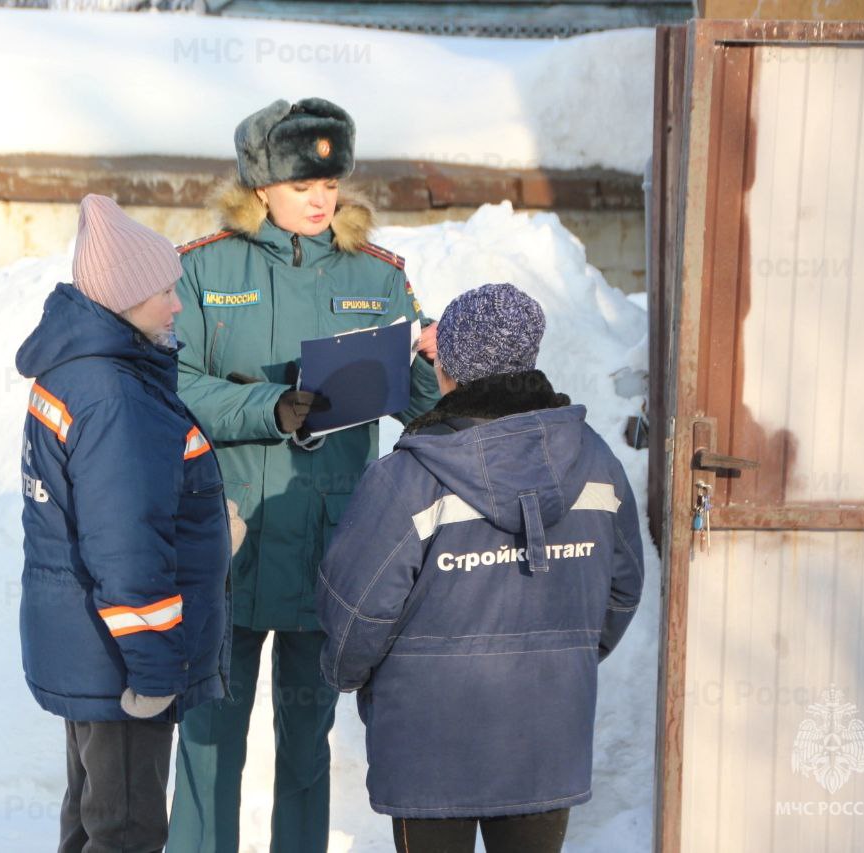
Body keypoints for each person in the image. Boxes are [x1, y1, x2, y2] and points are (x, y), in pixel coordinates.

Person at [168, 97, 441, 853]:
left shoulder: (377, 276)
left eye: (330, 181)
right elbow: (175, 385)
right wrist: (267, 407)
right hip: (228, 544)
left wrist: (430, 359)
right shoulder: (202, 268)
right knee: (208, 742)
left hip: (329, 547)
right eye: (301, 184)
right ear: (260, 185)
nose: (322, 198)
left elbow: (421, 406)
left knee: (307, 747)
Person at [317, 283, 645, 853]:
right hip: (547, 734)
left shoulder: (407, 479)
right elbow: (622, 590)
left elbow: (356, 612)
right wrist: (559, 655)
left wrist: (352, 678)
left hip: (427, 741)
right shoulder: (595, 460)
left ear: (449, 369)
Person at [16, 194, 234, 853]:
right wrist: (153, 670)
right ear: (124, 298)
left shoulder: (77, 370)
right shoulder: (115, 395)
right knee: (128, 831)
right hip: (122, 666)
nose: (175, 304)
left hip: (89, 647)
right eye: (164, 290)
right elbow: (127, 547)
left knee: (92, 820)